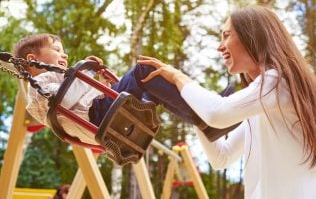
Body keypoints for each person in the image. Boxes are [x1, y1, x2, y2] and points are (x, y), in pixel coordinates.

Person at [137, 5, 316, 198]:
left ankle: (103, 107)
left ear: (252, 36)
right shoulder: (262, 105)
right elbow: (222, 156)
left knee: (142, 75)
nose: (220, 46)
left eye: (226, 35)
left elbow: (218, 114)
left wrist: (179, 77)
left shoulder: (278, 82)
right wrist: (194, 111)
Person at [13, 33, 234, 145]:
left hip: (100, 116)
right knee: (144, 70)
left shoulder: (59, 79)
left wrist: (100, 84)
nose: (64, 55)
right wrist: (86, 73)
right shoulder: (39, 84)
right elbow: (64, 100)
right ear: (33, 59)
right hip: (100, 116)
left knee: (152, 85)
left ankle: (204, 116)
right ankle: (204, 116)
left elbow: (76, 99)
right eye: (56, 50)